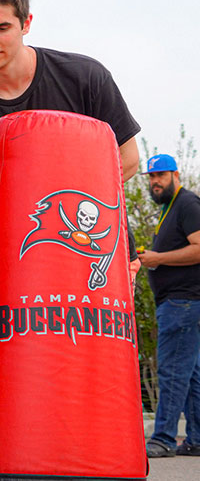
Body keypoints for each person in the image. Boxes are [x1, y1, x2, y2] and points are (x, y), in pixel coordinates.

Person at [0, 0, 140, 265]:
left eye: (2, 27)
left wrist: (62, 199)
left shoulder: (85, 78)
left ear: (26, 23)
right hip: (24, 264)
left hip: (101, 255)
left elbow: (128, 159)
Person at [138, 153, 200, 458]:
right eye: (151, 177)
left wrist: (158, 258)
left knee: (173, 372)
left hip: (183, 302)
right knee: (191, 374)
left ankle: (162, 438)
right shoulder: (169, 209)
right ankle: (197, 439)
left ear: (176, 175)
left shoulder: (187, 204)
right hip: (181, 304)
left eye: (161, 175)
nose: (155, 182)